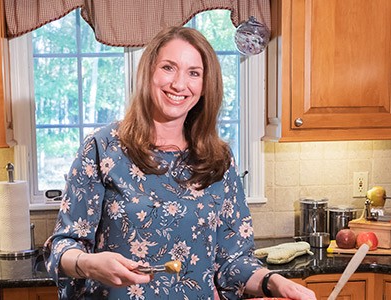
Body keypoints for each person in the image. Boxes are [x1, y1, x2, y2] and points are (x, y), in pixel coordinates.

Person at [43, 26, 316, 300]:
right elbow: (62, 248)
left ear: (205, 86)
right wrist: (89, 264)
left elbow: (234, 262)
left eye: (193, 73)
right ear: (148, 73)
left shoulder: (218, 160)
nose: (179, 84)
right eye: (168, 68)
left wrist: (273, 281)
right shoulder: (103, 148)